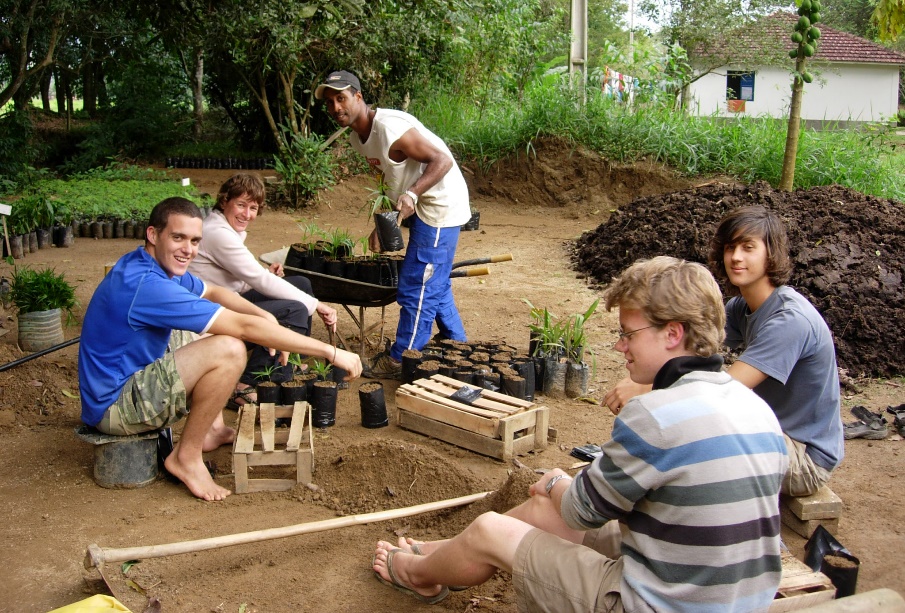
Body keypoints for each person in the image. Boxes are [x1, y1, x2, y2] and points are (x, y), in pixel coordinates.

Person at [372, 256, 788, 611]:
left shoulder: (655, 415)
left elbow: (580, 512)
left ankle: (416, 573)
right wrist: (563, 491)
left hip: (658, 603)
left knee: (491, 528)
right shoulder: (755, 407)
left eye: (628, 334)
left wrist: (554, 480)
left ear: (673, 333)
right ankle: (446, 554)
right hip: (733, 596)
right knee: (543, 511)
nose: (620, 347)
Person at [78, 198, 361, 501]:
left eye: (195, 240)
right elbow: (241, 329)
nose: (188, 249)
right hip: (114, 407)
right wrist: (331, 352)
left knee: (203, 329)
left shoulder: (149, 264)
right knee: (229, 348)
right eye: (178, 237)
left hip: (119, 384)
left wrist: (264, 316)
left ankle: (210, 429)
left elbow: (212, 291)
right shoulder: (147, 285)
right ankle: (186, 457)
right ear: (153, 234)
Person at [603, 206, 843, 497]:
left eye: (748, 247)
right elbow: (692, 353)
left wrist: (645, 390)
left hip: (802, 456)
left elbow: (723, 393)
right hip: (766, 433)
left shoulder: (789, 320)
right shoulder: (742, 308)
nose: (736, 257)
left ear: (772, 254)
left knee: (697, 433)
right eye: (730, 248)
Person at [315, 70, 472, 379]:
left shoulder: (388, 128)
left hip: (439, 204)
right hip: (417, 203)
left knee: (418, 284)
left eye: (341, 98)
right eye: (330, 102)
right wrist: (384, 222)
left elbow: (442, 160)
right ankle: (456, 341)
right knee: (433, 277)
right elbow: (391, 177)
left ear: (358, 97)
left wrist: (412, 194)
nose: (336, 107)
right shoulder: (358, 138)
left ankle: (401, 358)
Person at [188, 173, 338, 407]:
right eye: (241, 205)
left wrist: (268, 274)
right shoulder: (217, 233)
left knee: (301, 284)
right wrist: (317, 305)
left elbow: (246, 274)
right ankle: (249, 384)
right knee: (294, 309)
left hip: (231, 297)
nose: (247, 214)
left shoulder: (225, 226)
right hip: (215, 310)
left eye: (253, 208)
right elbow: (257, 279)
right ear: (224, 201)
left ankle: (289, 361)